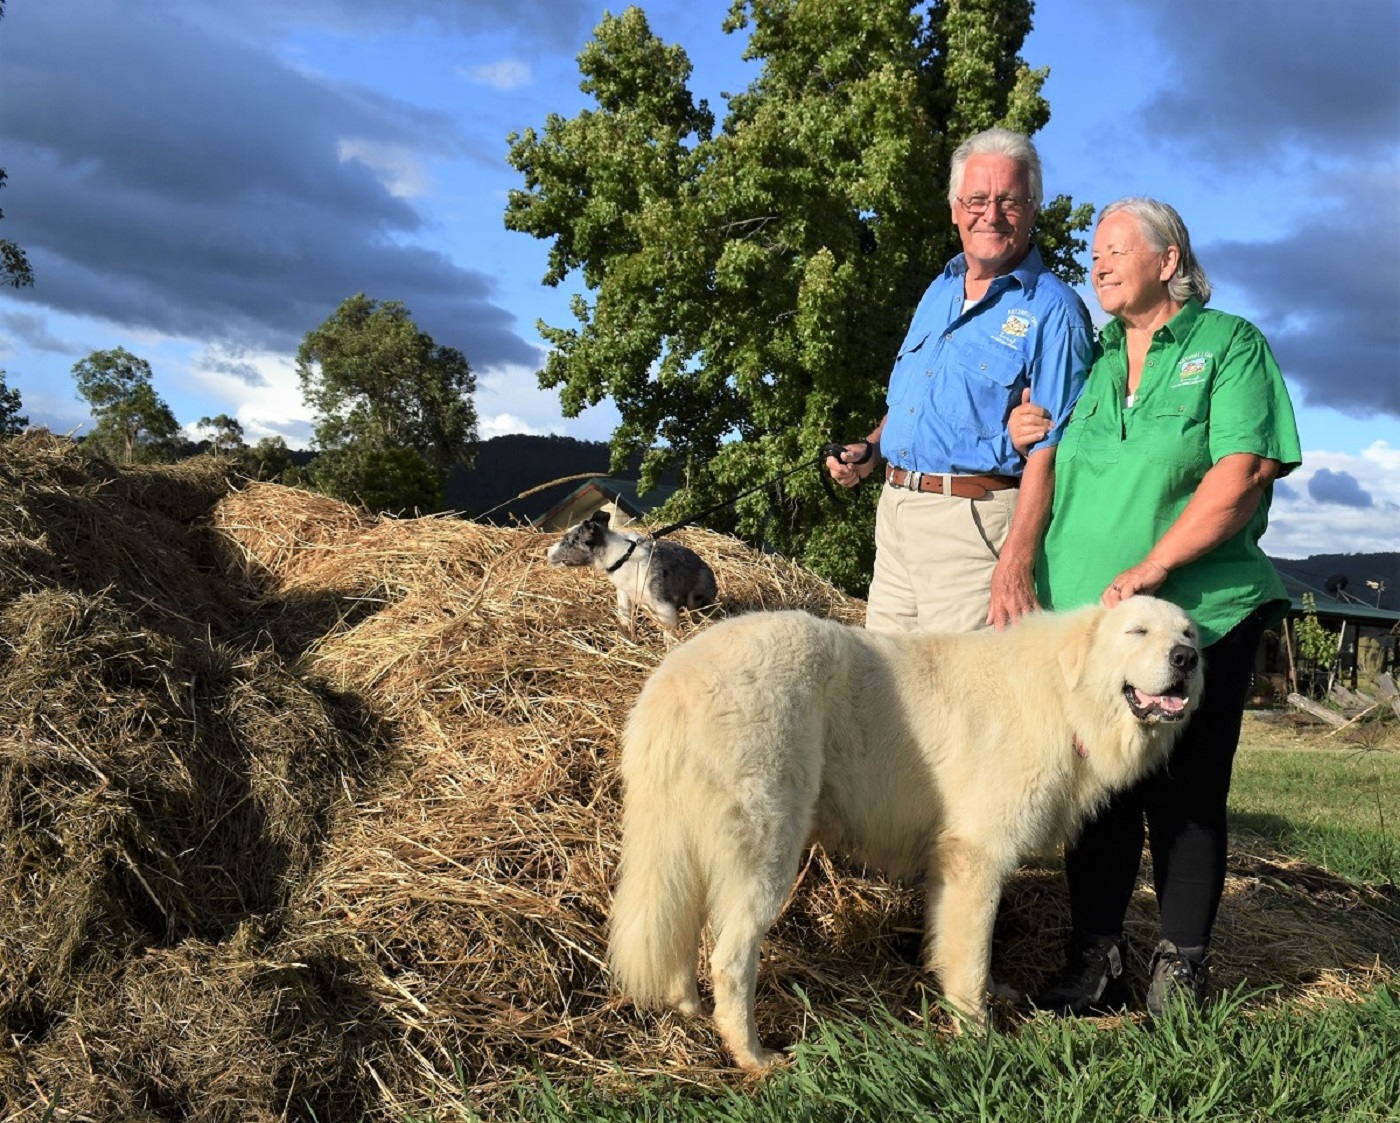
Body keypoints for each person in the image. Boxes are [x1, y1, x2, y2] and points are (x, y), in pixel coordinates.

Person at [1009, 197, 1302, 1017]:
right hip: (1095, 626)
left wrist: (1155, 566)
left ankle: (1182, 970)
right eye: (1093, 253)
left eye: (1114, 249)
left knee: (1187, 791)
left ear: (1168, 260)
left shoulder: (1229, 345)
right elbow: (1052, 453)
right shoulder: (1096, 360)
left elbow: (1241, 473)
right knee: (1100, 793)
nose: (1096, 263)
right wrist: (1027, 426)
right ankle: (1095, 961)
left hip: (1199, 610)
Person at [826, 127, 1092, 633]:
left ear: (1033, 209)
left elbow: (1053, 451)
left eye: (1008, 201)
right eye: (976, 199)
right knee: (883, 687)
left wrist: (1014, 563)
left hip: (975, 525)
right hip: (897, 513)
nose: (990, 215)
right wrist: (873, 449)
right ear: (954, 208)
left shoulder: (1056, 311)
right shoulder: (939, 289)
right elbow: (916, 399)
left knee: (961, 702)